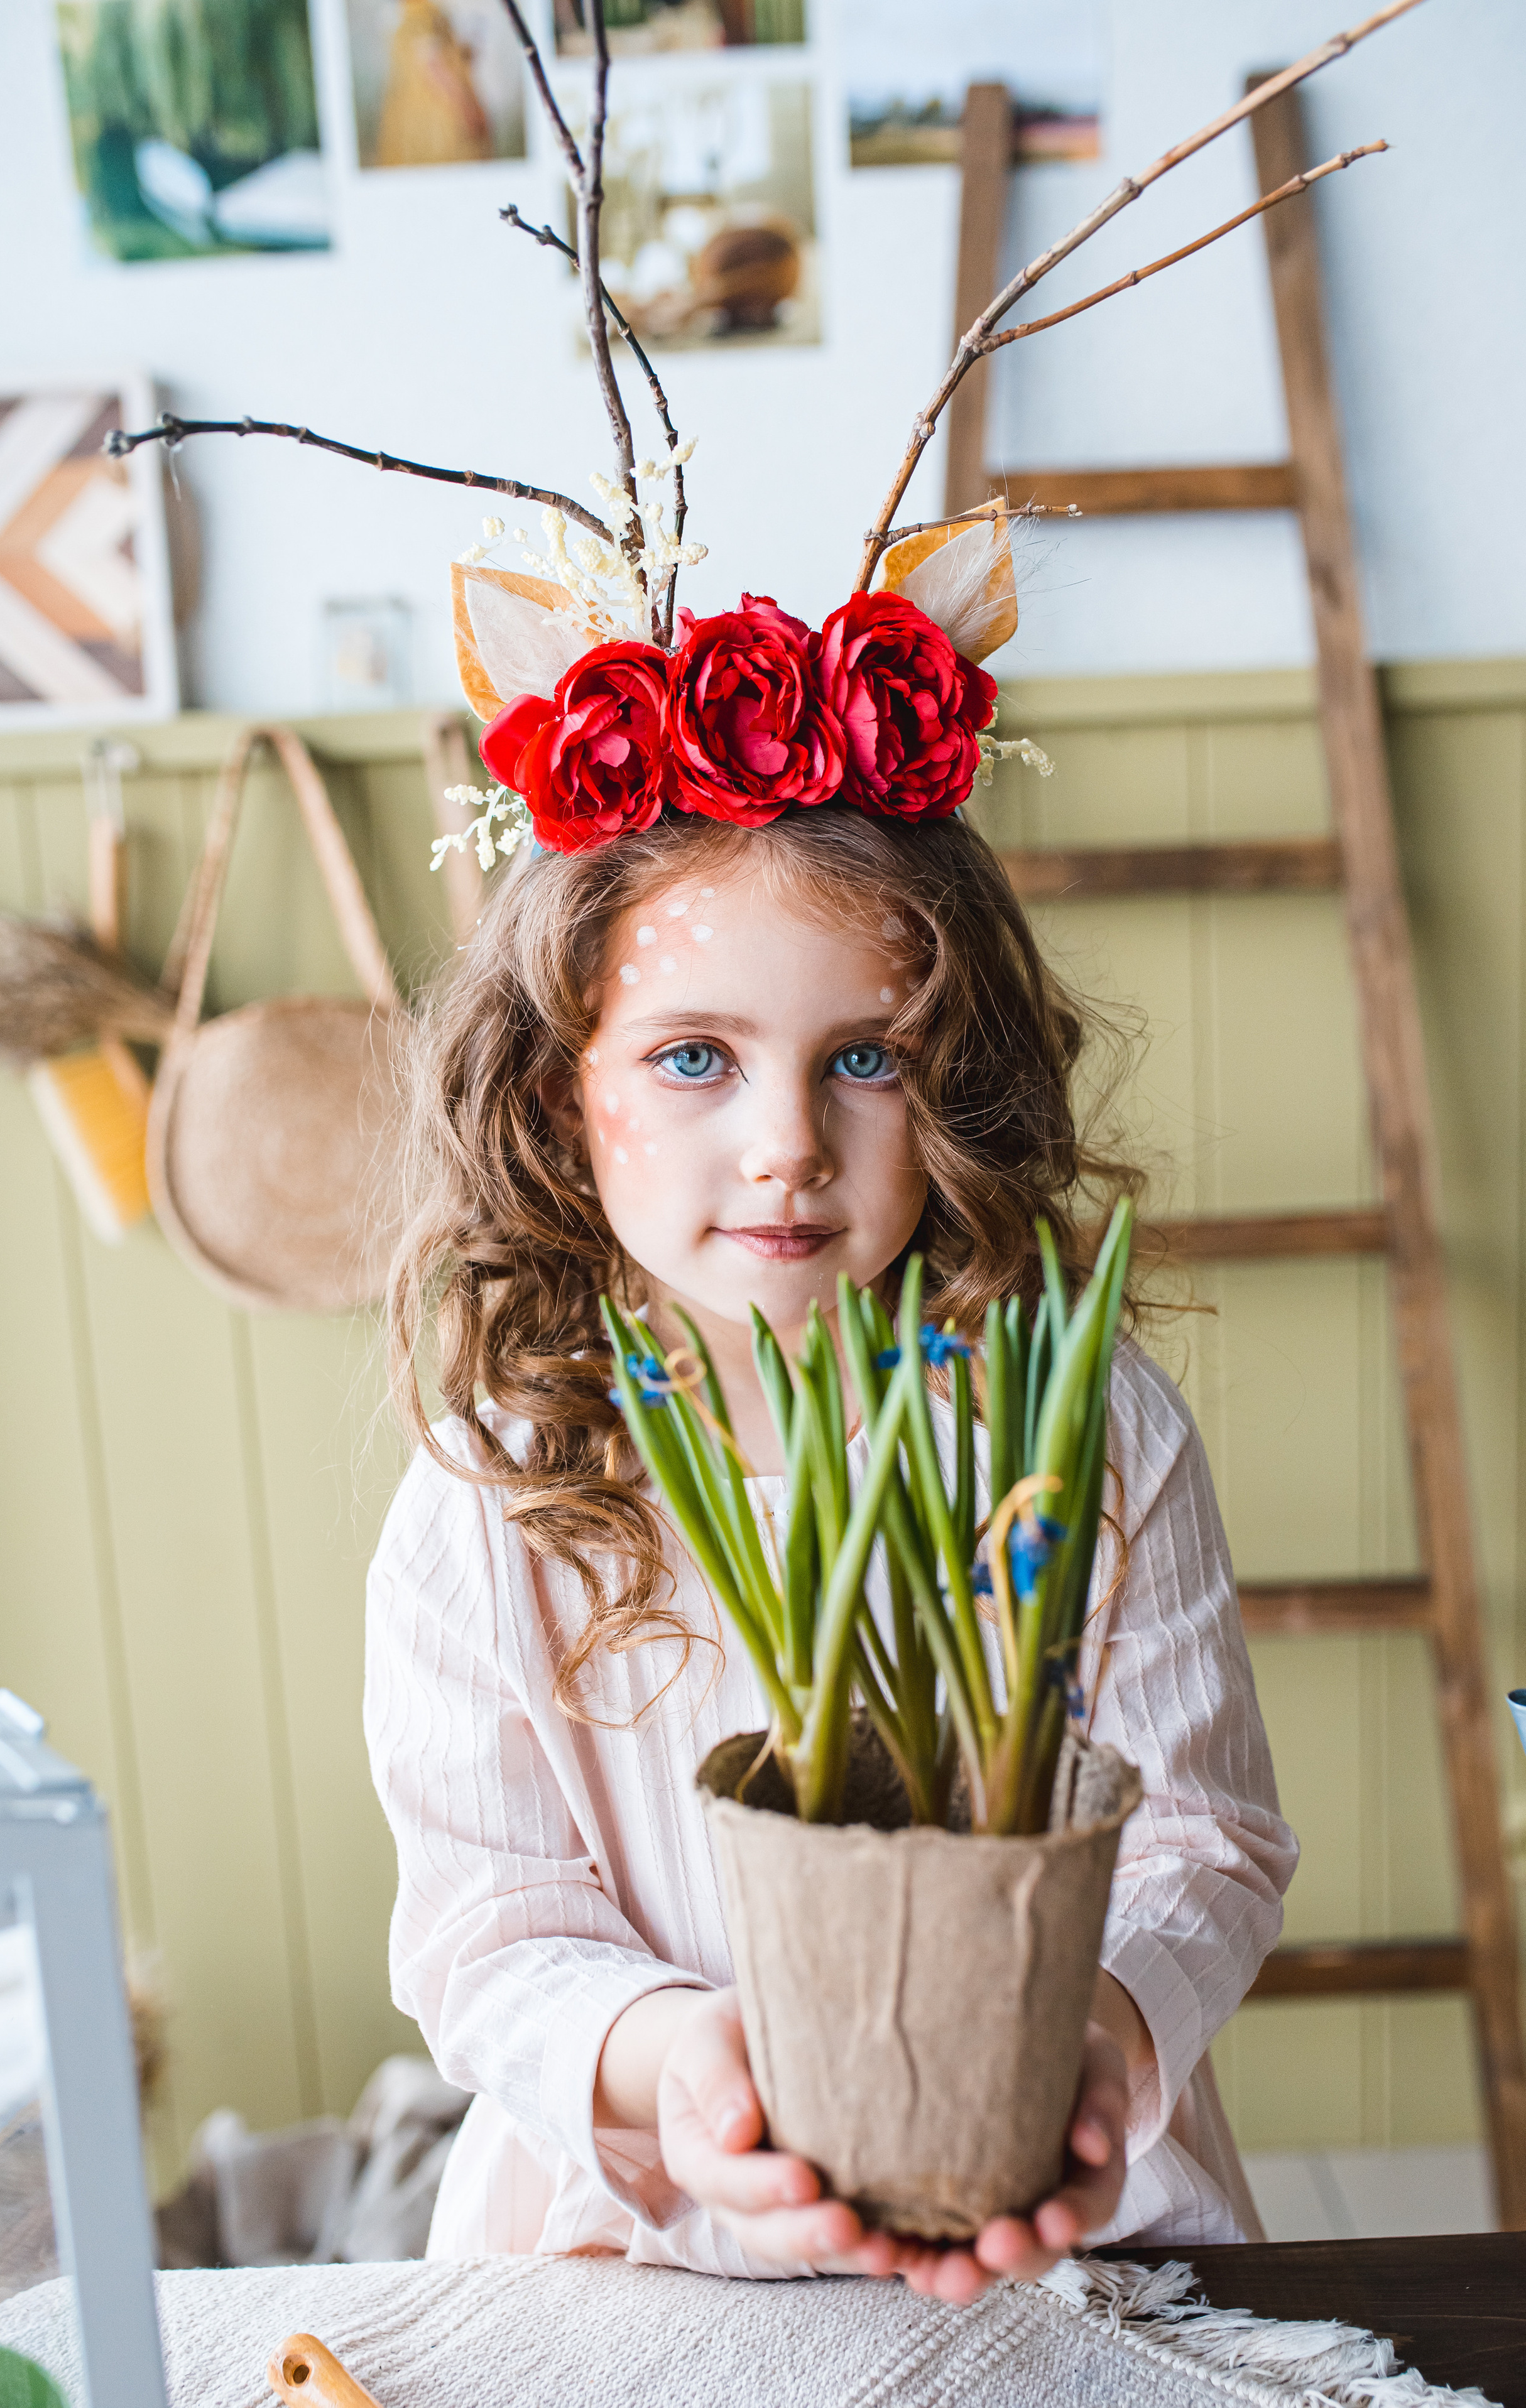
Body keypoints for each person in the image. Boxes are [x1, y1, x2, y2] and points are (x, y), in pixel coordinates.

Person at [364, 654, 1299, 2299]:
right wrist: (676, 2060)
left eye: (864, 1056)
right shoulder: (491, 1494)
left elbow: (1204, 1843)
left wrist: (1096, 2029)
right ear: (558, 1089)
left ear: (959, 1072)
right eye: (694, 1058)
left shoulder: (1087, 1426)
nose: (787, 1138)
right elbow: (488, 1927)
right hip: (641, 2252)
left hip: (1053, 2223)